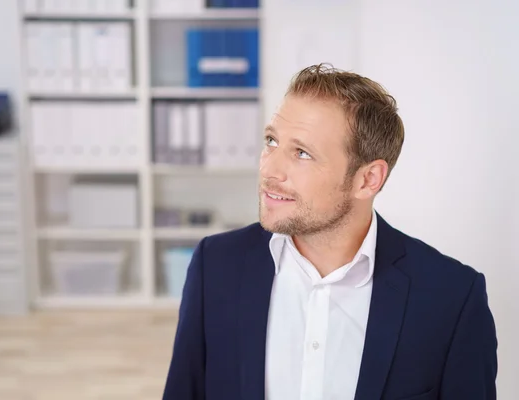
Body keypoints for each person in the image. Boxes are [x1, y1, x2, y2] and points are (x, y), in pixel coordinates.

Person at [161, 64, 498, 400]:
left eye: (302, 153)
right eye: (271, 141)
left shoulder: (451, 298)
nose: (269, 168)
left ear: (367, 179)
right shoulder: (216, 266)